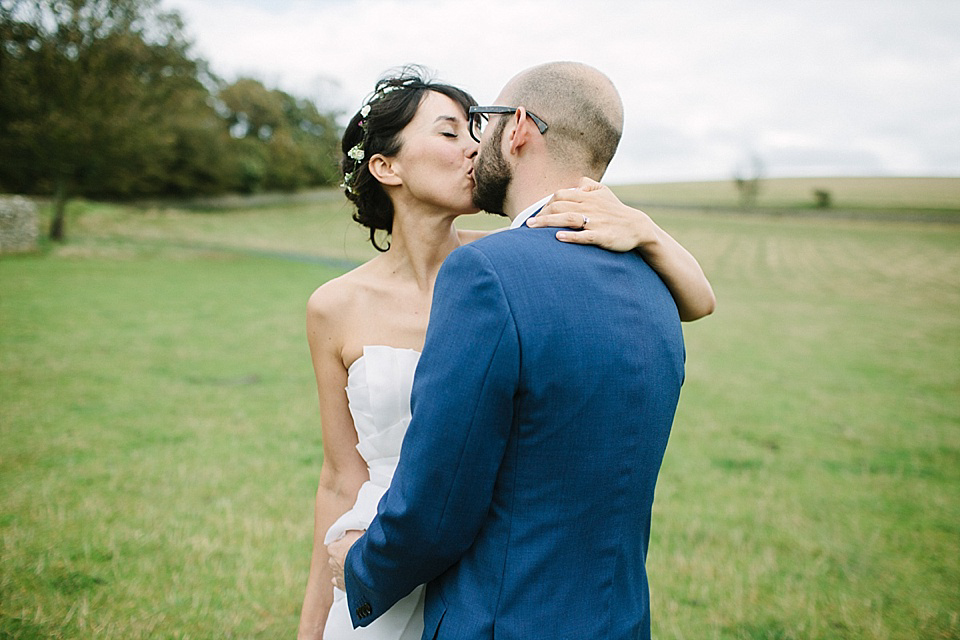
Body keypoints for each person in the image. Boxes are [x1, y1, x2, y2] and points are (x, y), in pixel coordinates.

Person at [301, 65, 714, 640]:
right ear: (385, 165)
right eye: (451, 132)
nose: (474, 145)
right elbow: (340, 478)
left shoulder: (501, 267)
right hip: (379, 549)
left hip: (456, 568)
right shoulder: (335, 305)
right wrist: (315, 622)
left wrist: (643, 227)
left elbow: (698, 299)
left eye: (478, 127)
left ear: (516, 131)